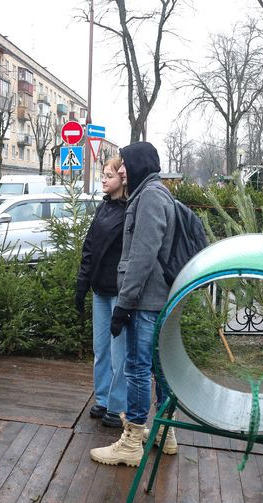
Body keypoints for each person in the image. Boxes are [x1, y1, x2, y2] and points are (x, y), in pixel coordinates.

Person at [90, 142, 179, 467]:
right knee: (157, 366)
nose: (122, 170)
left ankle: (131, 439)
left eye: (125, 164)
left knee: (139, 368)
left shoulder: (150, 197)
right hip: (151, 298)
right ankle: (165, 432)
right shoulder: (151, 192)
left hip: (145, 300)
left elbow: (141, 256)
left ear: (139, 163)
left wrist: (124, 305)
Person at [76, 157, 128, 429]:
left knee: (120, 353)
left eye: (109, 175)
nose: (104, 180)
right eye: (102, 176)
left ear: (122, 177)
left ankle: (118, 405)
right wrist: (82, 284)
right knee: (101, 350)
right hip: (100, 290)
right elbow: (89, 247)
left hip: (120, 292)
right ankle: (104, 397)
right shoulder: (103, 208)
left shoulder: (130, 209)